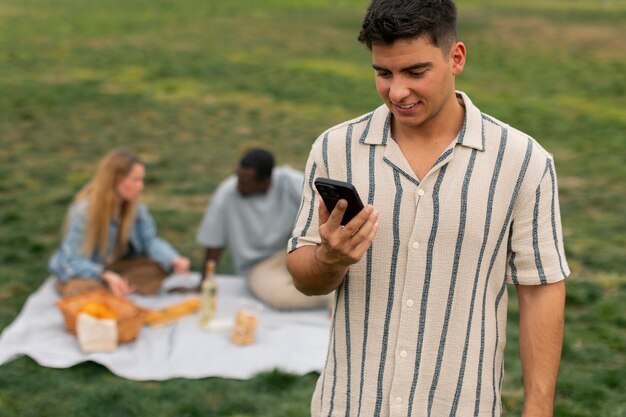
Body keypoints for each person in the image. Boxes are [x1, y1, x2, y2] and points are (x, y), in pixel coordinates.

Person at [287, 1, 569, 416]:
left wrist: (538, 408)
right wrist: (330, 259)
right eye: (383, 73)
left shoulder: (523, 162)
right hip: (349, 405)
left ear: (456, 58)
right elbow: (305, 279)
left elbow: (541, 288)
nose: (397, 92)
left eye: (415, 72)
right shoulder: (335, 149)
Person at [196, 148, 330, 310]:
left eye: (244, 183)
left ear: (265, 181)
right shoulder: (226, 193)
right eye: (237, 177)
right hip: (259, 265)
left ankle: (336, 287)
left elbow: (320, 203)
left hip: (295, 249)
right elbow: (214, 243)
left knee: (333, 263)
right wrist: (203, 282)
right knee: (281, 298)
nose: (238, 185)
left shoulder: (289, 182)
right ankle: (333, 296)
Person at [48, 149, 191, 298]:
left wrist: (173, 259)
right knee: (80, 288)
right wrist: (103, 274)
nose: (140, 186)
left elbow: (149, 241)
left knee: (161, 266)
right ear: (115, 180)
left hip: (118, 267)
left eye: (142, 180)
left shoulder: (135, 207)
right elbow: (73, 259)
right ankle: (104, 288)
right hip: (88, 270)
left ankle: (112, 288)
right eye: (135, 180)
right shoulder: (84, 211)